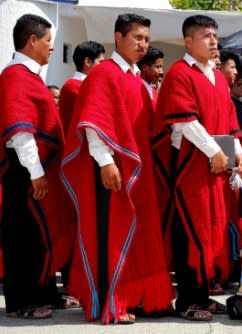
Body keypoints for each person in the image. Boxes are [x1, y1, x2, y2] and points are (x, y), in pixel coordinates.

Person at [60, 13, 174, 324]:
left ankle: (135, 297)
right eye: (137, 37)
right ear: (118, 37)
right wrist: (106, 162)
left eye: (147, 39)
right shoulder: (104, 74)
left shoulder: (136, 80)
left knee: (137, 235)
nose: (143, 44)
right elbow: (94, 122)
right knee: (113, 235)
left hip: (138, 173)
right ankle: (113, 300)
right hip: (113, 172)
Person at [152, 14, 242, 322]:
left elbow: (231, 123)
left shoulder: (218, 77)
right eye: (206, 35)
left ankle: (203, 295)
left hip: (217, 166)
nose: (213, 40)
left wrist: (238, 150)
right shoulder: (179, 73)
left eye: (214, 35)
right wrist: (214, 151)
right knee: (190, 231)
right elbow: (183, 121)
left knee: (213, 230)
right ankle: (188, 300)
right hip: (191, 167)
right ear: (188, 41)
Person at [0, 13, 74, 320]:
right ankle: (21, 301)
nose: (52, 49)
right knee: (23, 235)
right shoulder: (15, 76)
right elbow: (20, 130)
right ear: (32, 40)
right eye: (48, 42)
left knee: (41, 234)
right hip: (24, 169)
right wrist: (37, 172)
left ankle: (44, 291)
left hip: (37, 169)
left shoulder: (30, 76)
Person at [59, 40, 105, 134]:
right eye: (100, 62)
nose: (103, 67)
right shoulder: (73, 86)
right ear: (88, 62)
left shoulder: (87, 85)